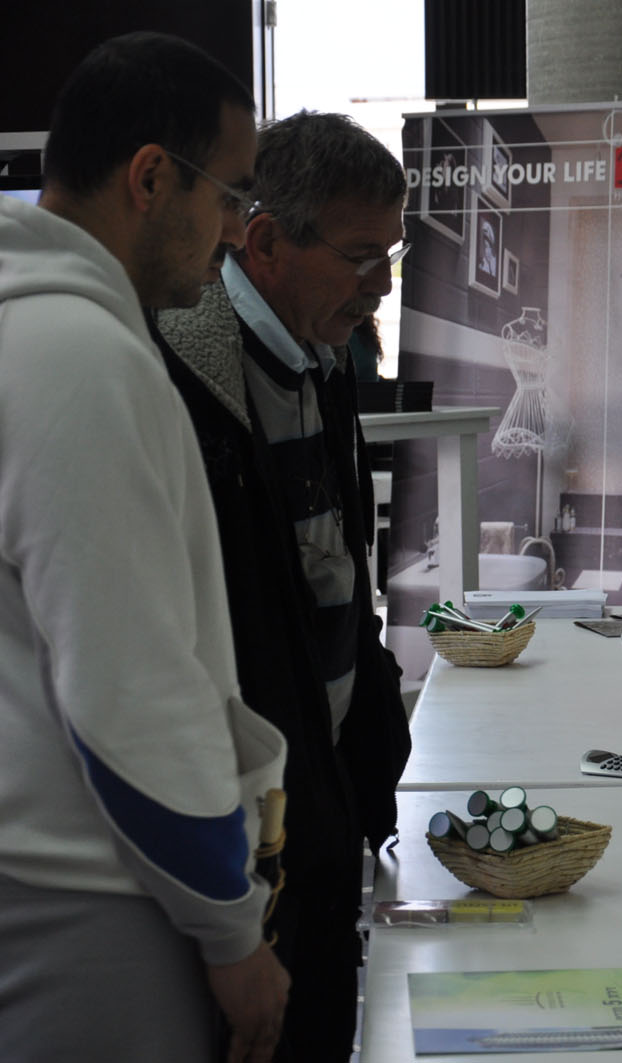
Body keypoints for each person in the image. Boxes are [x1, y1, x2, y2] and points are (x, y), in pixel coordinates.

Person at [0, 32, 290, 1063]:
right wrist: (231, 926)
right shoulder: (80, 357)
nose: (238, 230)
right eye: (231, 194)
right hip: (94, 896)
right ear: (152, 177)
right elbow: (127, 692)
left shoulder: (38, 333)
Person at [151, 109, 412, 1060]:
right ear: (264, 243)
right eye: (361, 257)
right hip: (237, 844)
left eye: (391, 255)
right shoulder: (180, 378)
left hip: (321, 811)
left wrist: (371, 766)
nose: (381, 287)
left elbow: (338, 574)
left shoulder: (323, 355)